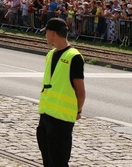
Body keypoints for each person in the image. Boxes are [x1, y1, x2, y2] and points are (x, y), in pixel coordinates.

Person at [37, 17, 86, 167]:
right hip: (46, 116)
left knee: (59, 162)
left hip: (62, 120)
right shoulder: (50, 54)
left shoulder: (74, 57)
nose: (45, 35)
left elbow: (81, 91)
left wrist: (78, 110)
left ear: (52, 33)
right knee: (48, 161)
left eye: (46, 33)